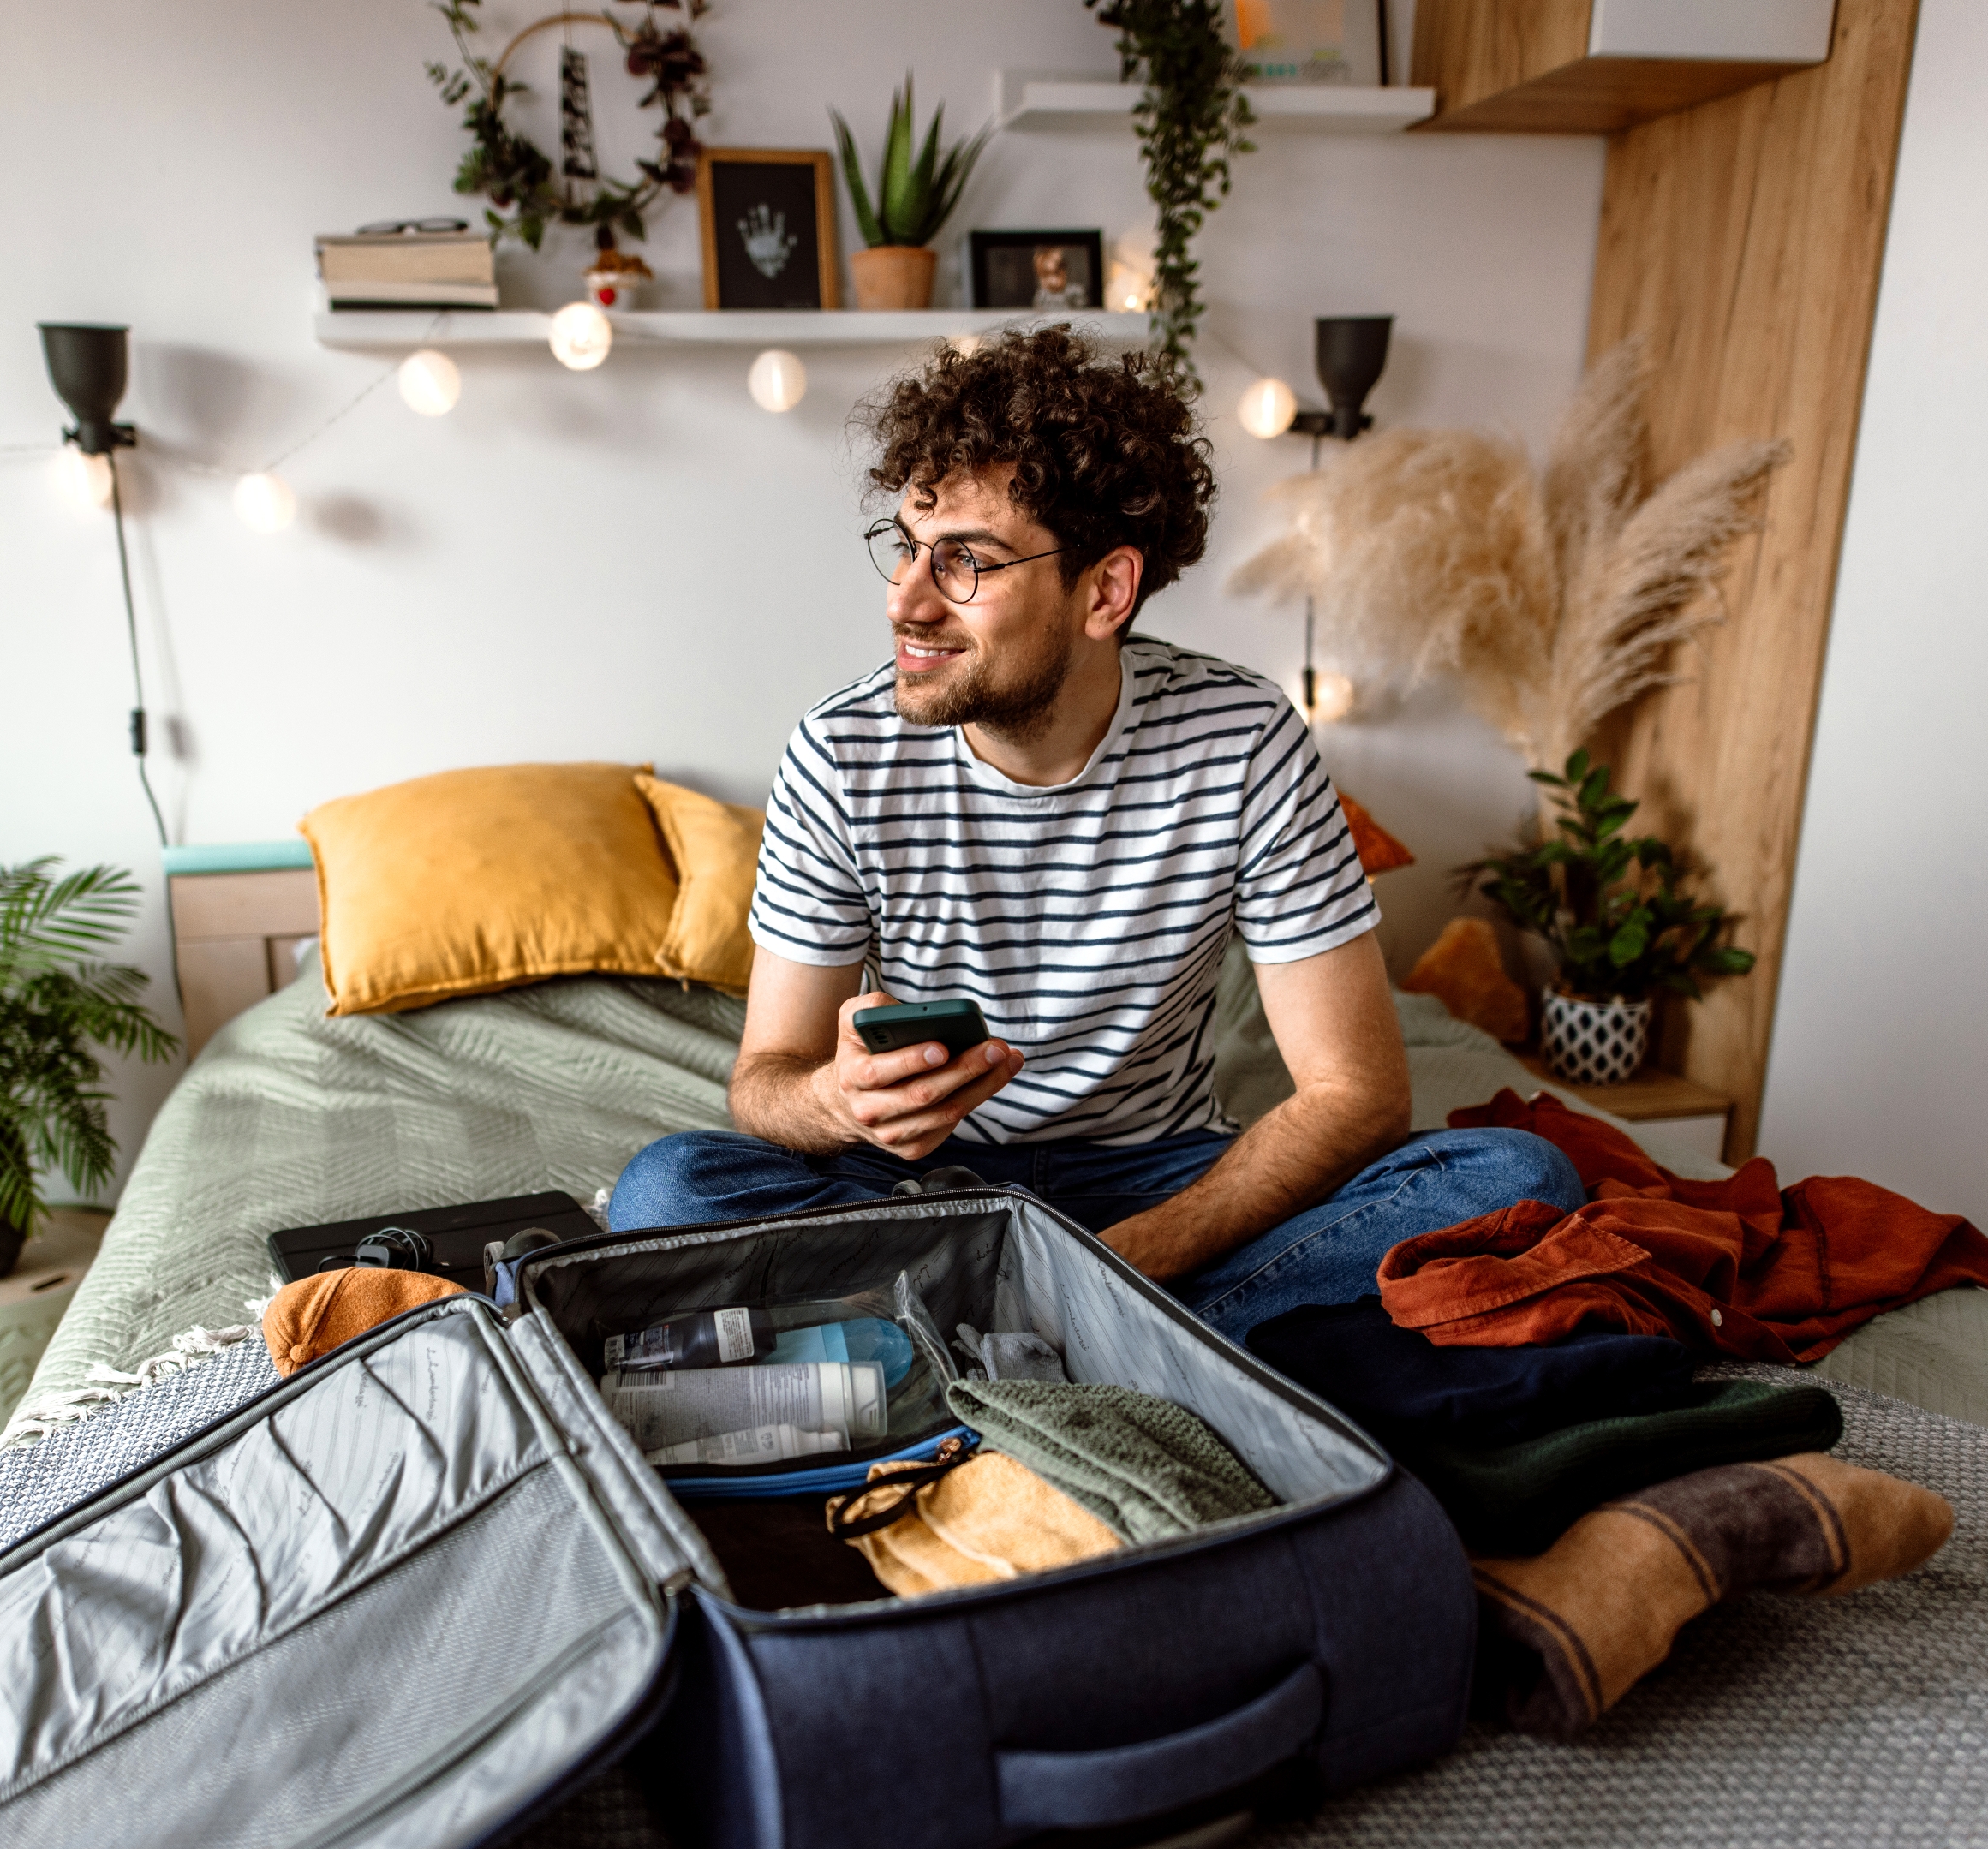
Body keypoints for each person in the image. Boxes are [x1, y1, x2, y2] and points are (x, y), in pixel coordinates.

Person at [606, 329, 1578, 1346]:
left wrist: (1120, 1258)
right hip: (914, 1182)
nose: (905, 599)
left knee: (1516, 1177)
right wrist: (838, 1101)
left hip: (1156, 1180)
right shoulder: (839, 752)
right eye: (904, 545)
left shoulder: (1241, 741)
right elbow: (765, 1079)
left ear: (1104, 591)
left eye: (964, 562)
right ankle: (1135, 1330)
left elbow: (1356, 1096)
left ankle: (977, 1321)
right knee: (665, 1192)